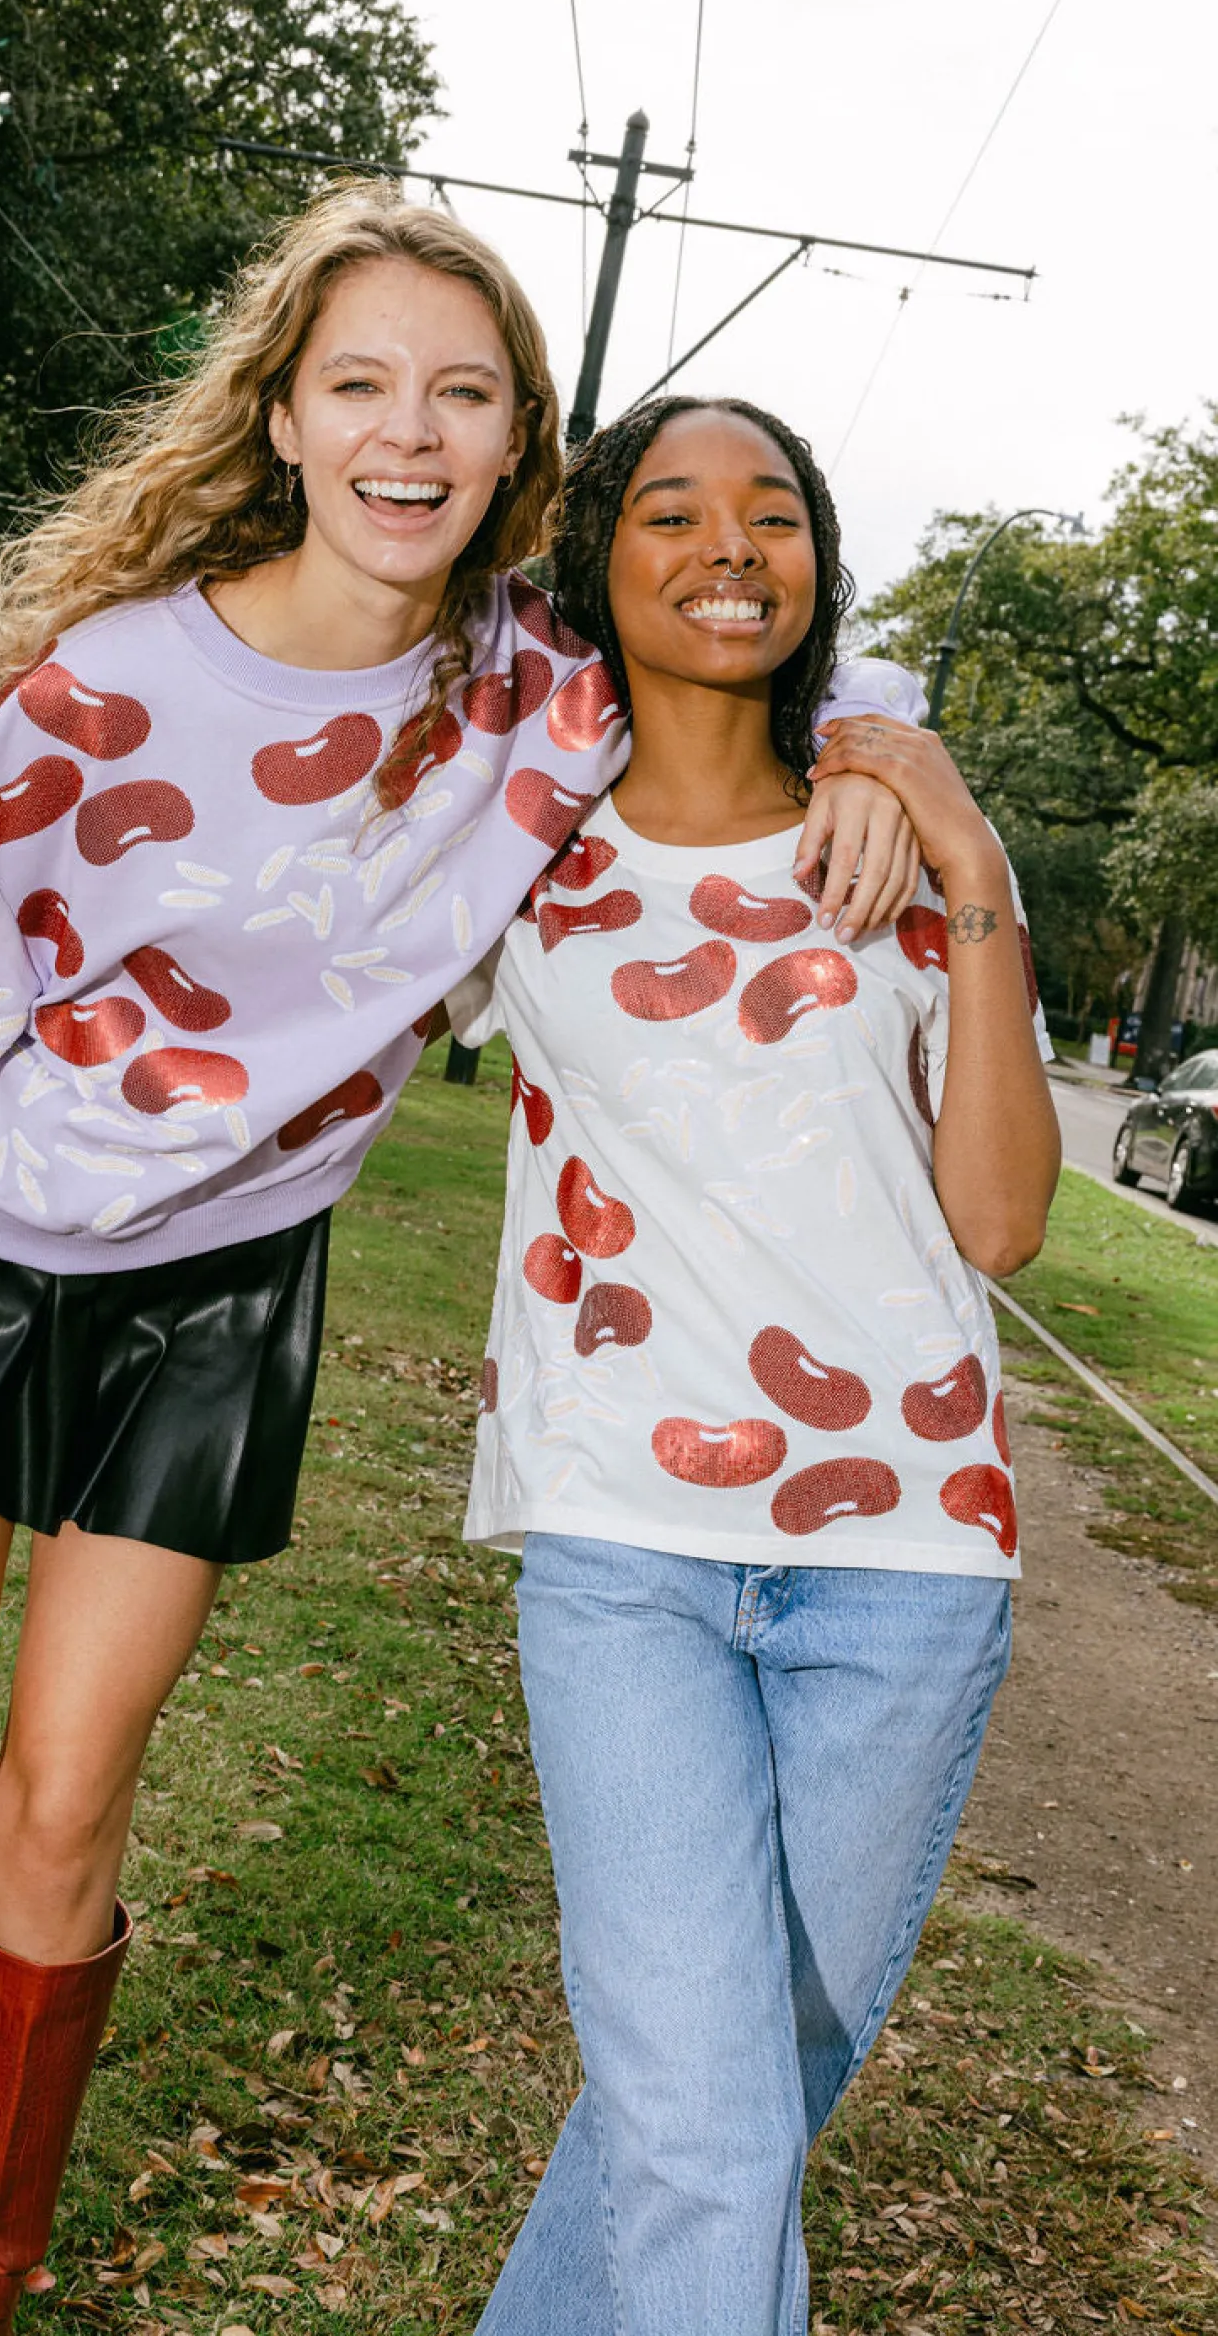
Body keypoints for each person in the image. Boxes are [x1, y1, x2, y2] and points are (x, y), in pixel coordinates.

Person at [0, 194, 927, 2336]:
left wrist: (880, 741)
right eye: (361, 383)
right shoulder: (112, 686)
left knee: (65, 1807)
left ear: (514, 452)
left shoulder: (534, 702)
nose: (409, 430)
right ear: (283, 415)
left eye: (461, 395)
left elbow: (759, 627)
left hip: (219, 1302)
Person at [450, 394, 1060, 2336]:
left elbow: (1000, 1223)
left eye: (772, 514)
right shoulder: (513, 835)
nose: (729, 548)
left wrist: (966, 861)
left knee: (718, 2109)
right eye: (674, 514)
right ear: (593, 564)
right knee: (706, 2136)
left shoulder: (901, 841)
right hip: (622, 1546)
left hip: (907, 1561)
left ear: (818, 562)